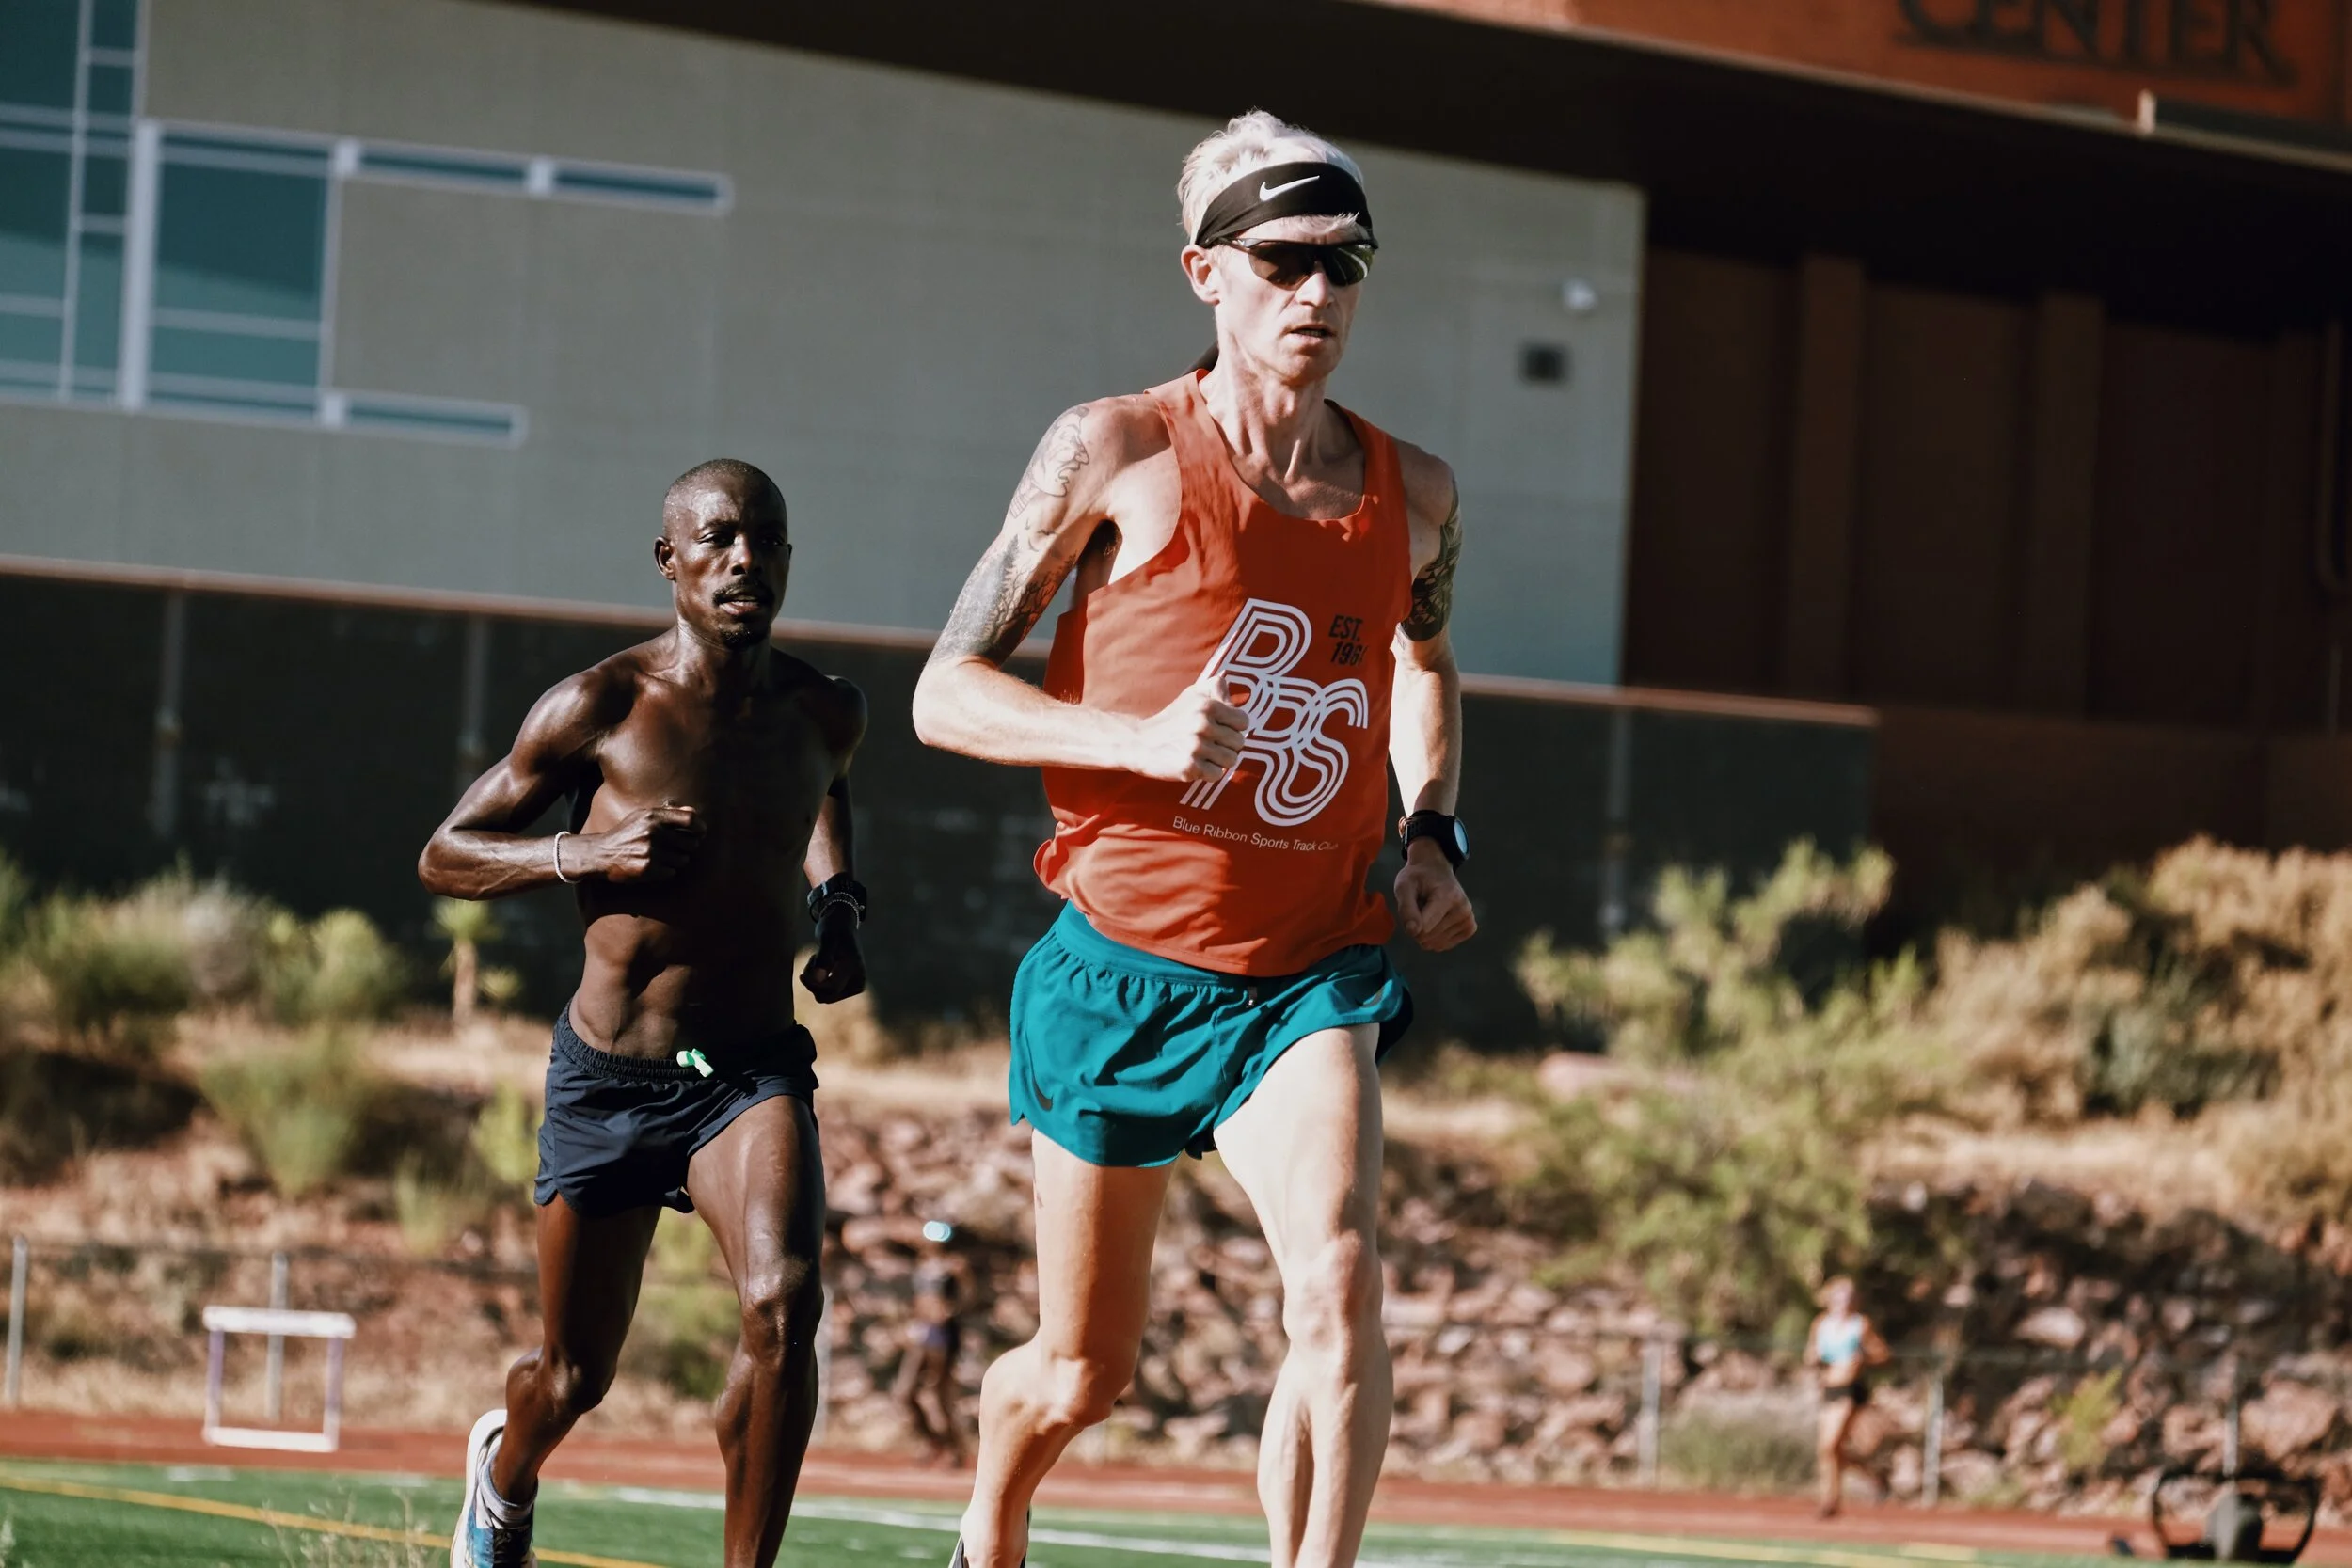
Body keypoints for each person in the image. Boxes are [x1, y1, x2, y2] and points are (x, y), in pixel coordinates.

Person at [912, 110, 1476, 1568]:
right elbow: (942, 691)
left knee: (1338, 1282)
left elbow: (1423, 663)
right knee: (1082, 1372)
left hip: (1310, 968)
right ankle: (992, 1510)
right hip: (1120, 967)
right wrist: (1138, 741)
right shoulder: (1114, 449)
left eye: (1345, 263)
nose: (1318, 291)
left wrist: (1431, 829)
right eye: (1284, 259)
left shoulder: (1414, 494)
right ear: (1205, 272)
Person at [418, 459, 869, 1568]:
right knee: (574, 1374)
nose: (745, 559)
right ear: (669, 560)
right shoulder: (599, 704)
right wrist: (583, 852)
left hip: (748, 1072)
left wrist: (838, 905)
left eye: (765, 539)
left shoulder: (826, 708)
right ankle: (504, 1479)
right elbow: (444, 852)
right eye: (718, 538)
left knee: (784, 1306)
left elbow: (824, 789)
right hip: (612, 1079)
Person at [1805, 1275, 1891, 1518]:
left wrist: (1863, 1357)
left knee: (1830, 1444)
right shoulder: (1821, 1324)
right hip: (1829, 1388)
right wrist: (1813, 1358)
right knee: (1828, 1450)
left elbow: (1883, 1354)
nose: (1843, 1301)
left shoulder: (1860, 1324)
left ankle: (1829, 1501)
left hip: (1850, 1389)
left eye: (1848, 1296)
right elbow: (1810, 1354)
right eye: (1839, 1296)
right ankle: (1869, 1479)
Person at [896, 1219, 974, 1465]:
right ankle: (934, 1441)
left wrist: (952, 1308)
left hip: (942, 1334)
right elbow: (917, 1299)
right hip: (922, 1332)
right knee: (904, 1392)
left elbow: (968, 1298)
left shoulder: (954, 1267)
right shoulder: (921, 1266)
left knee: (941, 1394)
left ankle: (955, 1448)